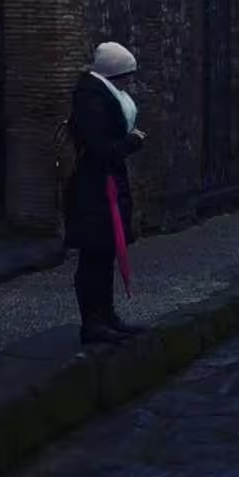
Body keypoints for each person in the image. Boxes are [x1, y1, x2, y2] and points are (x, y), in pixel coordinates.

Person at [64, 41, 146, 346]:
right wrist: (131, 143)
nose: (129, 83)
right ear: (113, 76)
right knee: (94, 254)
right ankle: (93, 322)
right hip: (93, 188)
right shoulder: (91, 100)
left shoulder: (100, 96)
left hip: (105, 184)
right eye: (126, 77)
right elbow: (101, 149)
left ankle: (106, 315)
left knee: (105, 252)